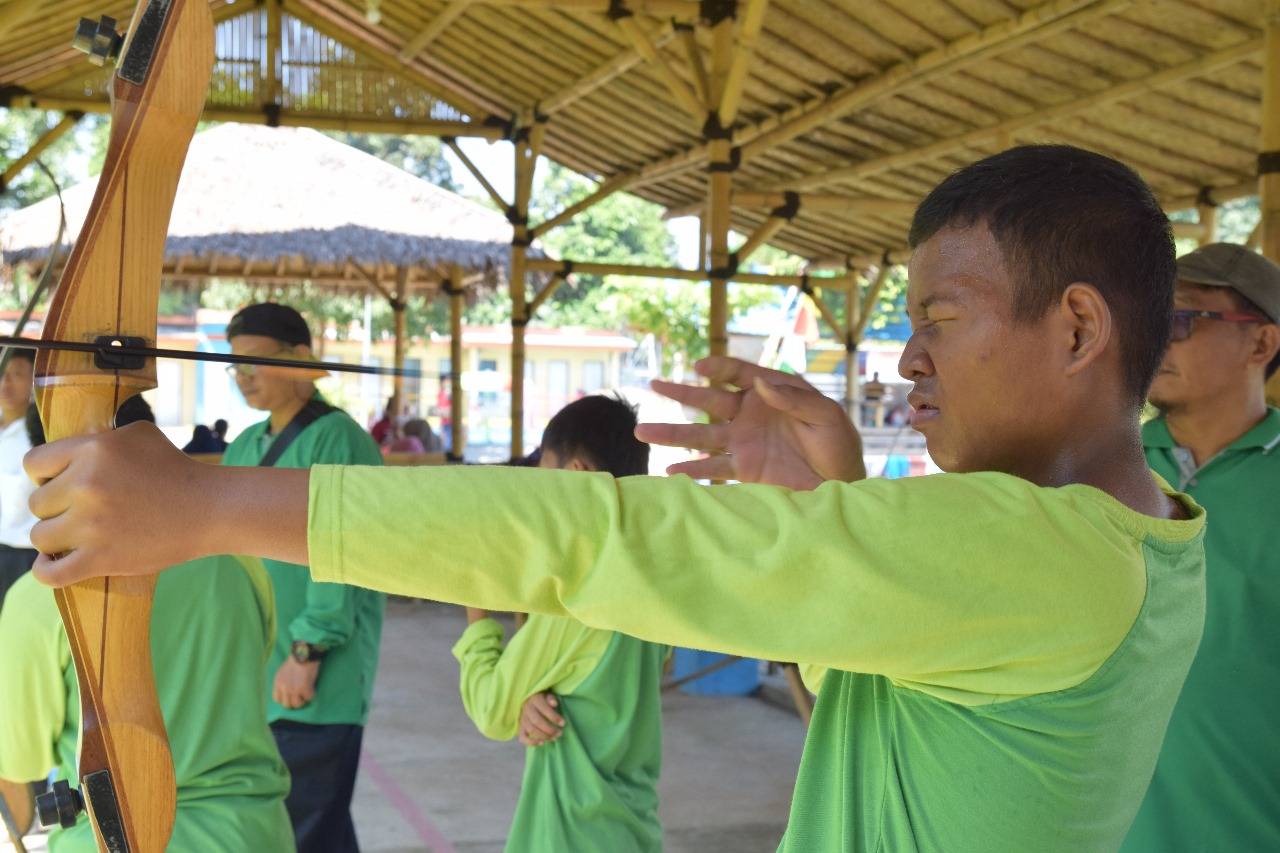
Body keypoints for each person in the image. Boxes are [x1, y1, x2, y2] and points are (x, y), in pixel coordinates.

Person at [25, 145, 1207, 853]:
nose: (905, 361)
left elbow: (594, 540)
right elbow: (864, 691)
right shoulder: (1142, 545)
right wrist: (838, 500)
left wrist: (208, 505)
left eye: (938, 321)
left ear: (1076, 326)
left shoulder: (1033, 552)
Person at [0, 394, 293, 851]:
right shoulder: (237, 558)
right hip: (252, 833)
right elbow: (257, 663)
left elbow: (20, 762)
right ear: (154, 450)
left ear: (44, 471)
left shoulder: (38, 598)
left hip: (107, 839)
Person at [1119, 244, 1280, 852]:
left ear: (1260, 344)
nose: (1157, 340)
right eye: (1150, 320)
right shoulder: (1091, 471)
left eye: (1181, 321)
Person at [453, 395, 667, 852]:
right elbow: (581, 672)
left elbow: (492, 711)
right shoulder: (647, 571)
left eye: (543, 477)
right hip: (629, 827)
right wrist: (531, 691)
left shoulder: (581, 598)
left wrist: (476, 609)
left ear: (575, 477)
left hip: (573, 832)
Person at [218, 303, 385, 852]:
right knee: (314, 824)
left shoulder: (337, 439)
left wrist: (307, 651)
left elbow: (344, 555)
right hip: (262, 676)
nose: (243, 376)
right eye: (233, 365)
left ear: (298, 361)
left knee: (307, 825)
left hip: (313, 675)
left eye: (255, 362)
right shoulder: (246, 444)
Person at [0, 349, 39, 604]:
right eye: (2, 374)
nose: (6, 383)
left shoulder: (39, 438)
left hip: (24, 560)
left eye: (17, 374)